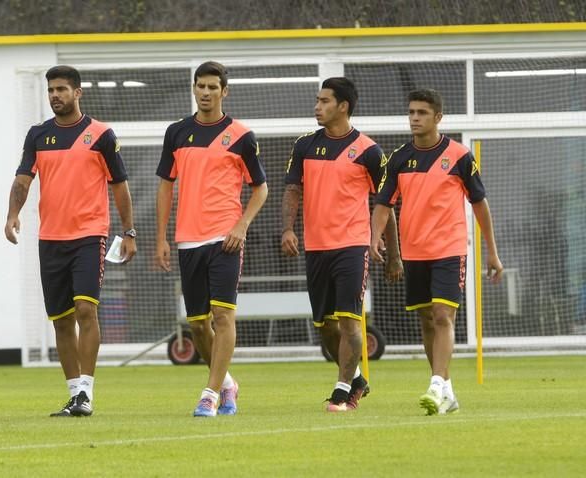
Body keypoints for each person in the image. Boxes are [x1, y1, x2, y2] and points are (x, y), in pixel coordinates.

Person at [5, 65, 136, 417]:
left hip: (89, 236)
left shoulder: (101, 135)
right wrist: (12, 214)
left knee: (85, 309)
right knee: (61, 321)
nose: (55, 96)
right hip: (50, 239)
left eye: (62, 89)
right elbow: (22, 179)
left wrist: (129, 231)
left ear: (78, 92)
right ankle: (74, 393)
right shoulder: (37, 135)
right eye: (51, 90)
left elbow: (119, 185)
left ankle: (87, 393)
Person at [371, 88, 503, 415]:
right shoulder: (399, 158)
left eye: (422, 113)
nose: (415, 118)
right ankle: (448, 389)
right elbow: (384, 204)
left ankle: (435, 383)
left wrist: (491, 252)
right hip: (415, 252)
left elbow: (480, 205)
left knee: (443, 315)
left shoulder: (459, 156)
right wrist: (374, 238)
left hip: (450, 248)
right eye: (412, 112)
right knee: (427, 320)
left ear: (438, 117)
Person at [281, 77, 402, 413]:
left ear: (343, 106)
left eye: (324, 101)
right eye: (317, 101)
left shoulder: (369, 151)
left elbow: (385, 203)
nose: (317, 107)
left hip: (352, 245)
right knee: (325, 327)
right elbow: (292, 190)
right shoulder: (304, 146)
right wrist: (287, 229)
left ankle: (343, 391)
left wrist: (394, 254)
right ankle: (358, 378)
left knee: (350, 320)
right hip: (315, 247)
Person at [155, 61, 268, 417]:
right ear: (193, 88)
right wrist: (161, 238)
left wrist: (241, 225)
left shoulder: (241, 136)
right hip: (187, 239)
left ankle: (209, 394)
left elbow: (260, 189)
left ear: (225, 91)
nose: (205, 93)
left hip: (225, 238)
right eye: (200, 86)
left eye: (212, 87)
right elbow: (165, 187)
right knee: (198, 325)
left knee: (223, 315)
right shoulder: (176, 132)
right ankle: (227, 383)